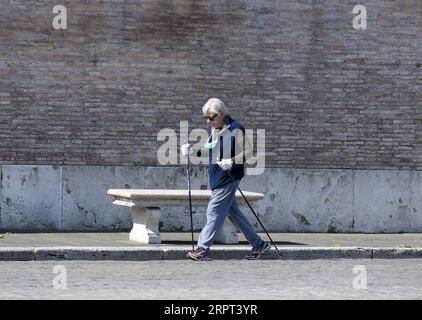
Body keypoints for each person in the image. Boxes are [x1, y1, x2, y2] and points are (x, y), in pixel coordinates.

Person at [181, 98, 270, 261]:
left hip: (228, 177)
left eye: (212, 118)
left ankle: (203, 248)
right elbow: (209, 150)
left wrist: (232, 161)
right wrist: (193, 151)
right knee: (234, 214)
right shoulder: (215, 130)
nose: (209, 121)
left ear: (222, 114)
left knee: (213, 211)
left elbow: (249, 152)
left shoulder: (236, 129)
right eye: (206, 119)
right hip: (216, 178)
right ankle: (258, 244)